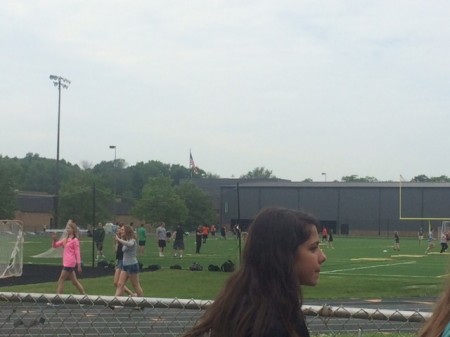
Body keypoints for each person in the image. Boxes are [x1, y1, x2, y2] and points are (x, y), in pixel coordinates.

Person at [182, 207, 327, 337]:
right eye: (313, 248)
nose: (322, 257)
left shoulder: (243, 306)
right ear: (284, 255)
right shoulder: (272, 325)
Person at [51, 220, 85, 294]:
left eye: (69, 228)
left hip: (70, 263)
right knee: (74, 282)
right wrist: (54, 239)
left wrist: (79, 265)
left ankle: (58, 299)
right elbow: (55, 245)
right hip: (66, 262)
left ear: (73, 230)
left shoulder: (75, 240)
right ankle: (84, 296)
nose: (67, 229)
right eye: (67, 228)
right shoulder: (66, 239)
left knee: (61, 280)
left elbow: (77, 253)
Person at [114, 224, 144, 297]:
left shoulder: (132, 240)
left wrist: (119, 239)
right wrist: (119, 239)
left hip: (132, 265)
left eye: (122, 230)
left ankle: (141, 302)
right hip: (125, 266)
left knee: (135, 285)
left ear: (127, 231)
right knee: (120, 284)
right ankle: (114, 302)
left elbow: (129, 244)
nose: (121, 231)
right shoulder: (125, 240)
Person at [113, 223, 134, 296]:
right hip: (118, 260)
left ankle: (119, 300)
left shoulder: (125, 239)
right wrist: (117, 241)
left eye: (121, 229)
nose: (119, 230)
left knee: (120, 283)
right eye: (119, 229)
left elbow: (127, 247)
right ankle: (132, 295)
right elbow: (116, 250)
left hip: (124, 261)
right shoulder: (119, 238)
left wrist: (120, 239)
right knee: (116, 282)